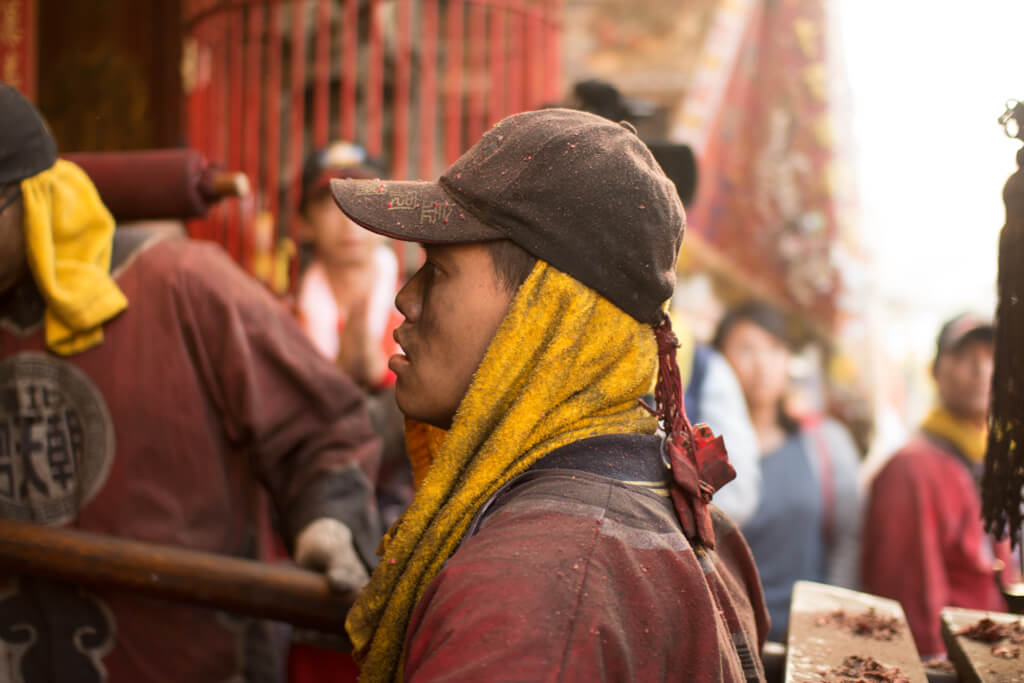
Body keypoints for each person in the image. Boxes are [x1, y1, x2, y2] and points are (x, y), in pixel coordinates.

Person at [329, 108, 770, 681]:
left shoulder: (530, 596)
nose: (405, 299)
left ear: (544, 312)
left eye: (437, 271)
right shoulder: (683, 517)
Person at [0, 82, 380, 683]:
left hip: (189, 657)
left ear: (33, 197)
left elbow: (320, 430)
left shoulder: (183, 282)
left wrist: (327, 520)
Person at [861, 313, 1010, 658]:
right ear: (935, 371)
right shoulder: (913, 468)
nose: (982, 371)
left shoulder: (990, 460)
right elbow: (914, 599)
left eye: (994, 359)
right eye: (966, 358)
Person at [713, 301, 861, 643]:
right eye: (746, 349)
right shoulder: (698, 453)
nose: (762, 364)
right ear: (719, 361)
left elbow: (847, 542)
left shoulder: (826, 444)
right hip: (725, 644)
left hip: (807, 643)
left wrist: (833, 631)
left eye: (774, 349)